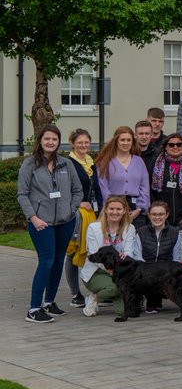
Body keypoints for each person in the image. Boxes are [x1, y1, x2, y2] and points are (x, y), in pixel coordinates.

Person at [17, 126, 83, 323]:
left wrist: (71, 210)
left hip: (65, 221)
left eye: (54, 139)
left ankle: (49, 302)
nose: (51, 142)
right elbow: (22, 194)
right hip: (41, 223)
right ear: (40, 140)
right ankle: (34, 308)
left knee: (57, 262)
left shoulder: (66, 164)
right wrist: (33, 218)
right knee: (46, 261)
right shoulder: (29, 164)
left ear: (58, 141)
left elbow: (78, 190)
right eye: (47, 139)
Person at [80, 195, 142, 319]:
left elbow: (128, 253)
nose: (115, 212)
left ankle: (107, 294)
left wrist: (119, 269)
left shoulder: (129, 228)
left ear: (125, 210)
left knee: (123, 312)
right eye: (111, 209)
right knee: (114, 287)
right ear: (106, 209)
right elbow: (94, 255)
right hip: (96, 271)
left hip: (119, 271)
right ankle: (94, 298)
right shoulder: (94, 228)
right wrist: (112, 270)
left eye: (119, 209)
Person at [62, 129, 98, 309]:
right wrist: (79, 203)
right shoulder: (68, 163)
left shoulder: (91, 163)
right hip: (76, 213)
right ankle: (75, 293)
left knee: (92, 250)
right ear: (72, 143)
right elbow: (65, 189)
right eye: (80, 142)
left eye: (86, 142)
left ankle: (97, 289)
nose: (84, 145)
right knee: (73, 251)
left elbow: (96, 188)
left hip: (92, 212)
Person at [96, 126, 150, 228]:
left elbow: (144, 187)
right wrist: (113, 207)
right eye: (122, 140)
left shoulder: (139, 161)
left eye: (129, 140)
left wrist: (139, 209)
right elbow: (103, 187)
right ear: (116, 141)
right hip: (113, 210)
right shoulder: (105, 162)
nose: (126, 143)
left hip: (135, 210)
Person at [137, 201, 179, 314]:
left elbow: (177, 258)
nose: (157, 217)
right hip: (148, 273)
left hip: (166, 272)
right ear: (149, 215)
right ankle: (152, 300)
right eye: (154, 214)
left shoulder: (175, 232)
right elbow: (137, 256)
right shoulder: (141, 232)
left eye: (161, 214)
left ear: (167, 215)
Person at [150, 133, 182, 225]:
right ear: (165, 147)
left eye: (179, 144)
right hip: (162, 215)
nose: (175, 147)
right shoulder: (156, 162)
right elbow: (150, 187)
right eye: (171, 145)